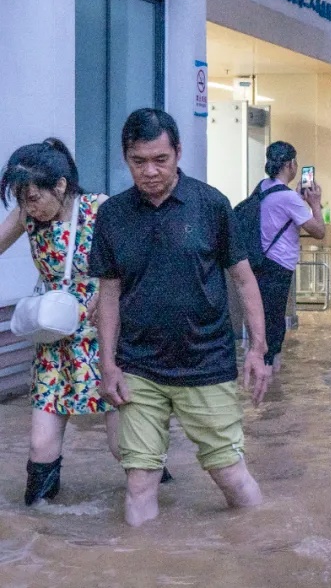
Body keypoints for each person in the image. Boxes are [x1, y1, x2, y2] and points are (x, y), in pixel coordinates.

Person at [89, 108, 273, 526]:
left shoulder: (211, 205)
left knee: (229, 474)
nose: (150, 171)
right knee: (138, 483)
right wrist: (108, 365)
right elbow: (109, 293)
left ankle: (262, 550)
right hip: (139, 367)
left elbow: (244, 281)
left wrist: (257, 351)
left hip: (206, 363)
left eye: (160, 159)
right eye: (139, 162)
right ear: (125, 158)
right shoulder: (113, 216)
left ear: (178, 153)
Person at [0, 139, 122, 505]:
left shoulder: (100, 209)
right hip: (56, 340)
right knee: (40, 445)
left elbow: (133, 262)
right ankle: (39, 525)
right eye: (22, 200)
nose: (29, 207)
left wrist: (106, 294)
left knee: (125, 448)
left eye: (34, 198)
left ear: (61, 186)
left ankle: (159, 511)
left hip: (105, 338)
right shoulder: (26, 216)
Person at [253, 142, 326, 372]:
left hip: (259, 261)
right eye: (295, 162)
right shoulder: (288, 198)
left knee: (264, 319)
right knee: (275, 322)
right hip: (279, 265)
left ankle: (265, 373)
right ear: (289, 165)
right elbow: (319, 232)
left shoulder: (263, 187)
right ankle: (270, 375)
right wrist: (315, 203)